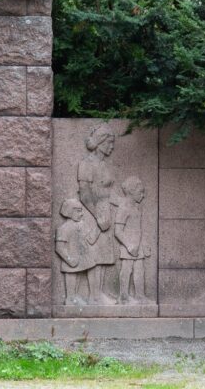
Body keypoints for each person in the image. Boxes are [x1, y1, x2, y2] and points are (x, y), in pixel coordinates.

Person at [77, 123, 117, 304]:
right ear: (100, 142)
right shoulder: (86, 164)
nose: (112, 147)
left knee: (102, 255)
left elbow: (107, 191)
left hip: (104, 210)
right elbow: (84, 195)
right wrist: (97, 216)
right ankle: (94, 295)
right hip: (91, 212)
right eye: (109, 142)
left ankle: (97, 294)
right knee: (94, 254)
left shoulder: (103, 164)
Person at [55, 198, 101, 305]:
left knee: (92, 269)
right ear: (69, 212)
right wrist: (69, 260)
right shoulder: (64, 228)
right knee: (71, 274)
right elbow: (59, 247)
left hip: (85, 257)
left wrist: (99, 228)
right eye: (78, 211)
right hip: (72, 259)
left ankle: (93, 296)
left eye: (81, 210)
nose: (81, 214)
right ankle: (70, 298)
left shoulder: (83, 224)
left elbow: (91, 239)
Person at [114, 176, 152, 304]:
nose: (143, 195)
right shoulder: (123, 208)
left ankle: (140, 295)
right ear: (131, 192)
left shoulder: (137, 208)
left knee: (140, 271)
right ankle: (123, 296)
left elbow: (140, 229)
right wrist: (129, 246)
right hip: (128, 246)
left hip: (138, 245)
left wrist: (144, 244)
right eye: (140, 192)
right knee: (126, 270)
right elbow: (117, 231)